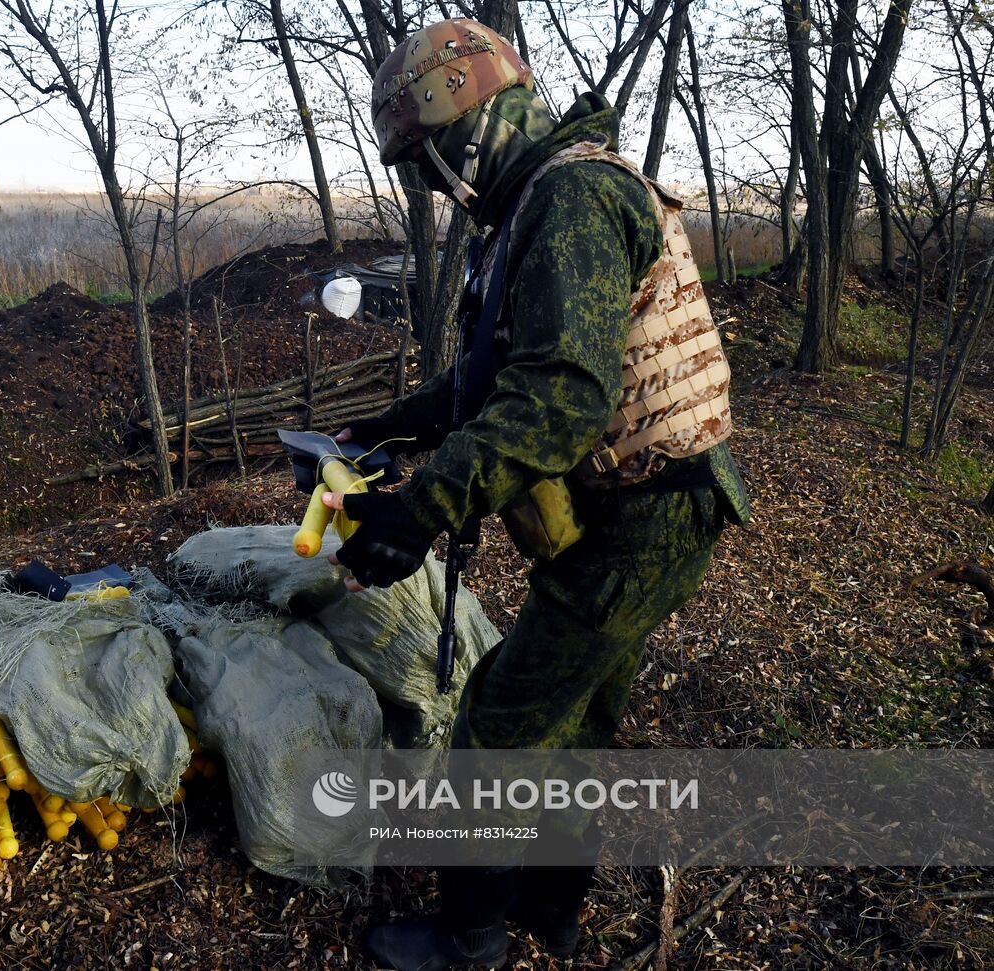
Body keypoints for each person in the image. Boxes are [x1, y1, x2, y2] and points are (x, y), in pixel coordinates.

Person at [319, 17, 752, 971]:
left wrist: (422, 507)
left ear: (468, 129)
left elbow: (561, 399)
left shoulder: (575, 203)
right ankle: (553, 906)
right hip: (650, 507)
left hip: (645, 514)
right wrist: (403, 423)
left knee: (495, 727)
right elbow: (504, 373)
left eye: (429, 164)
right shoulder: (540, 205)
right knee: (582, 711)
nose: (431, 186)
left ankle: (469, 936)